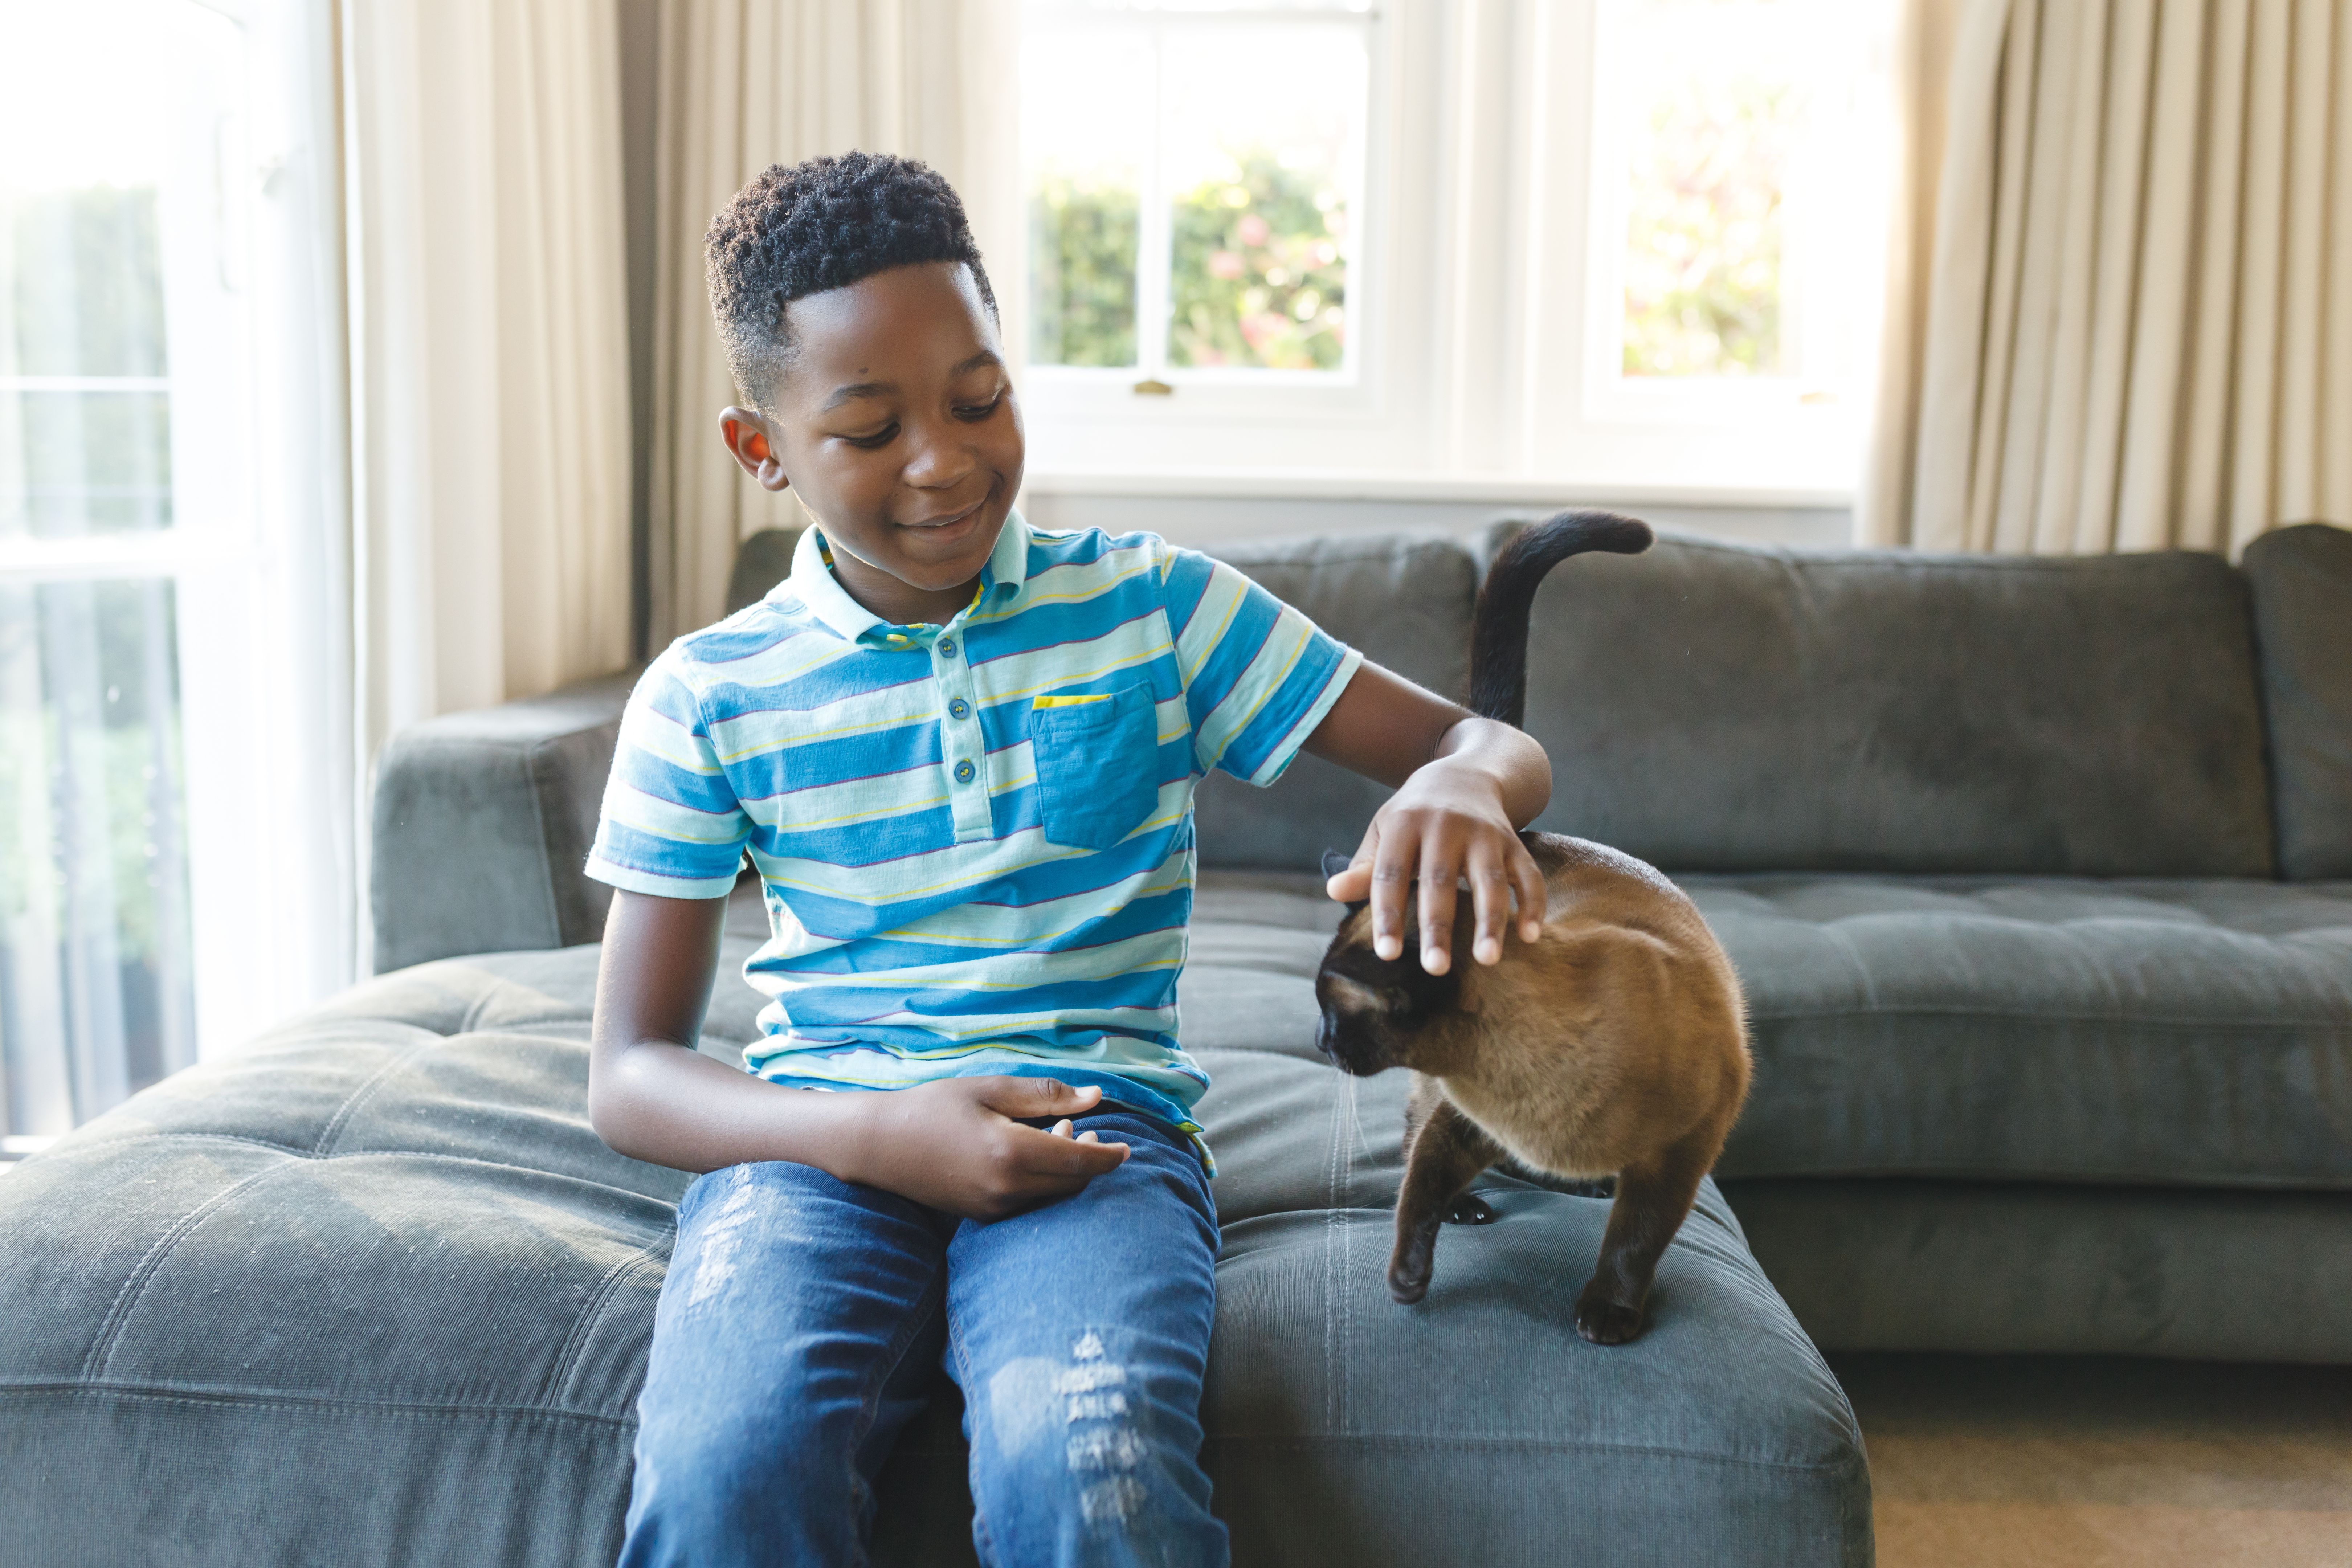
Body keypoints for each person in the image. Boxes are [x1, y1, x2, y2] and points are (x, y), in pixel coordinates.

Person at [585, 151, 1553, 1568]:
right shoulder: (707, 693)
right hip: (812, 1155)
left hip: (1093, 1144)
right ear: (764, 452)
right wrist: (868, 1134)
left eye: (979, 398)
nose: (946, 460)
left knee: (1091, 1480)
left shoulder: (1151, 606)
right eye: (869, 429)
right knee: (725, 1471)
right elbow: (629, 1075)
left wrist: (1463, 786)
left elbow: (1490, 745)